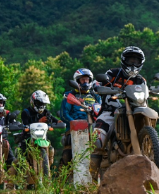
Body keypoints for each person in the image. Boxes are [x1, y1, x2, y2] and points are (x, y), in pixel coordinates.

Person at [89, 46, 147, 179]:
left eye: (136, 61)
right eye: (130, 60)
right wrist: (98, 86)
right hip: (111, 110)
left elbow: (145, 91)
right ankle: (91, 176)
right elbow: (98, 81)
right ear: (124, 61)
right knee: (98, 140)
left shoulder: (141, 80)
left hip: (133, 111)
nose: (133, 64)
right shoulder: (113, 73)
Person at [60, 68, 101, 164]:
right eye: (82, 80)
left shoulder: (96, 96)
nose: (85, 82)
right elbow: (64, 114)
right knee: (67, 155)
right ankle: (64, 174)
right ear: (77, 81)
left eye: (87, 80)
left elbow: (100, 111)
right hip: (74, 129)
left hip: (93, 127)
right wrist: (74, 124)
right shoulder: (69, 95)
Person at [19, 90, 60, 164]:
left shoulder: (46, 112)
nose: (41, 105)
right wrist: (39, 121)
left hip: (42, 137)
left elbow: (56, 120)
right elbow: (25, 124)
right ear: (33, 102)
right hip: (28, 138)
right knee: (22, 157)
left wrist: (61, 123)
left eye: (43, 103)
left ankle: (48, 167)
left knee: (51, 149)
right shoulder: (26, 112)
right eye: (39, 103)